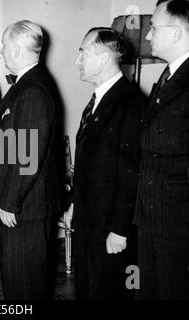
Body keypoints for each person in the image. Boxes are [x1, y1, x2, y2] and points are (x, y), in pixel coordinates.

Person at [0, 20, 62, 300]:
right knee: (19, 280)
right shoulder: (27, 84)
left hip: (23, 207)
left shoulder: (32, 90)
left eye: (3, 47)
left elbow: (28, 154)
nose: (1, 53)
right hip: (21, 205)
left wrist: (9, 201)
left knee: (23, 284)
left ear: (16, 48)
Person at [72, 27, 146, 300]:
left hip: (109, 230)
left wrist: (119, 228)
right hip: (89, 224)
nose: (77, 60)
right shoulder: (97, 101)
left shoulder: (131, 102)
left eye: (83, 52)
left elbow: (132, 172)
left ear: (104, 58)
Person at [134, 0, 189, 299]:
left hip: (177, 223)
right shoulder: (167, 77)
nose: (148, 36)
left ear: (177, 33)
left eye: (154, 28)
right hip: (152, 215)